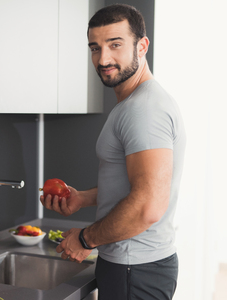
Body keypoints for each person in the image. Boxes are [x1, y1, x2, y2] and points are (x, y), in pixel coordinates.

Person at [40, 4, 186, 300]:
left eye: (115, 45)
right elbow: (138, 185)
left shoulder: (143, 110)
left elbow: (148, 206)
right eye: (95, 47)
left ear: (142, 46)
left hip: (135, 269)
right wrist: (83, 198)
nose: (103, 58)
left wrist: (85, 238)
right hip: (139, 266)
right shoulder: (138, 104)